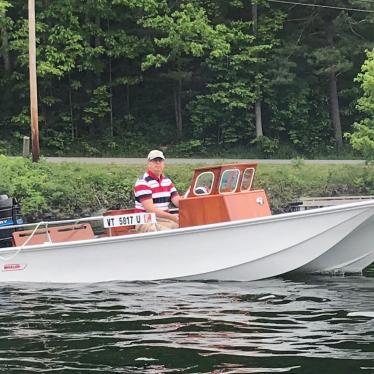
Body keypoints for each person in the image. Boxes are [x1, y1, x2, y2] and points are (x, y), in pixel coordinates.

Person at [134, 150, 180, 232]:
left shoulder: (167, 181)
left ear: (163, 163)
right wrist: (172, 217)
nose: (158, 163)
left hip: (164, 219)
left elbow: (178, 201)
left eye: (160, 160)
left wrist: (191, 195)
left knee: (185, 226)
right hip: (145, 221)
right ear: (149, 163)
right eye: (155, 160)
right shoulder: (142, 182)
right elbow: (150, 209)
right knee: (166, 232)